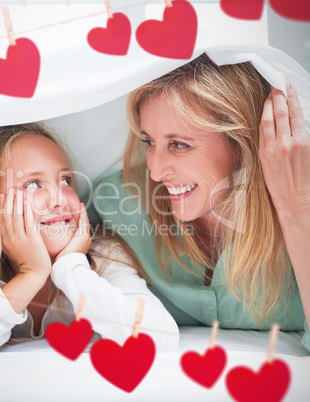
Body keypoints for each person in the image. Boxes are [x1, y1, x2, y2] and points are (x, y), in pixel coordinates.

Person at [91, 53, 310, 352]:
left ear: (243, 142)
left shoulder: (302, 207)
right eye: (149, 142)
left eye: (179, 144)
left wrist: (296, 208)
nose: (156, 171)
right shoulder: (118, 201)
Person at [0, 122, 178, 350]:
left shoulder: (103, 254)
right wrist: (31, 274)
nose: (59, 198)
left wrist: (70, 267)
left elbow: (160, 337)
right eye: (34, 184)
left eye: (66, 181)